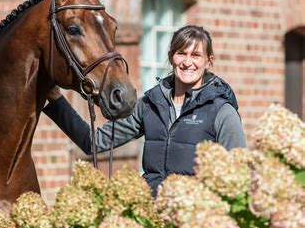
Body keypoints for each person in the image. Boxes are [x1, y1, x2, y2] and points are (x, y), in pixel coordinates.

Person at [43, 25, 246, 194]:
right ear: (171, 57)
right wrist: (56, 99)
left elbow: (238, 177)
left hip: (196, 221)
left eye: (196, 55)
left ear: (208, 62)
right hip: (152, 217)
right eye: (181, 53)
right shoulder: (150, 104)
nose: (187, 62)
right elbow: (94, 142)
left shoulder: (222, 112)